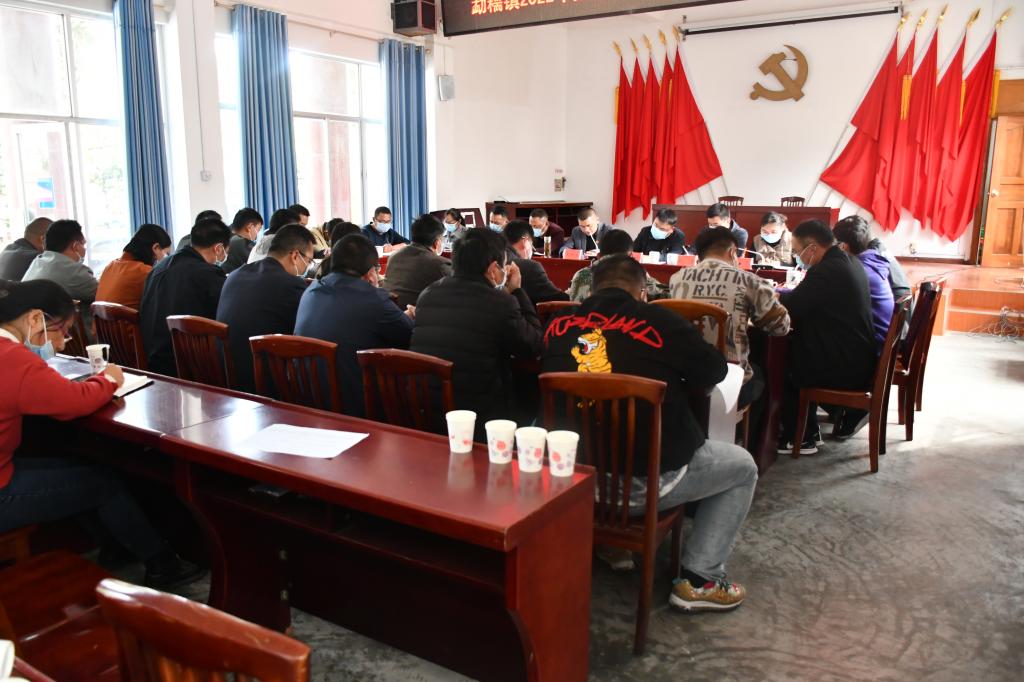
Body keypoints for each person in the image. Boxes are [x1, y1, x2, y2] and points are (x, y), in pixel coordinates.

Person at [542, 255, 755, 612]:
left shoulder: (557, 325)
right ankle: (701, 578)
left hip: (570, 480)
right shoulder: (662, 321)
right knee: (743, 467)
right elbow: (715, 370)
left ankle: (610, 542)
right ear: (642, 292)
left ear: (590, 290)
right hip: (645, 484)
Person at [0, 279, 202, 589]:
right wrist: (108, 379)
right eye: (62, 331)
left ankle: (115, 546)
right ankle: (162, 565)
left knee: (73, 465)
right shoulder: (13, 359)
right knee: (102, 484)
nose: (61, 344)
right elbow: (73, 402)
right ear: (34, 319)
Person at [411, 229, 541, 438]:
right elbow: (533, 346)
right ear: (493, 269)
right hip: (478, 421)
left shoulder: (428, 294)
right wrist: (517, 290)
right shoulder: (500, 302)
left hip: (428, 413)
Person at [778, 220, 876, 452]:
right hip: (857, 357)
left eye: (796, 251)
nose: (796, 257)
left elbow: (793, 306)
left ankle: (800, 437)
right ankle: (810, 430)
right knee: (797, 348)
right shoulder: (848, 261)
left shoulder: (826, 271)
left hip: (845, 367)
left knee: (781, 366)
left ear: (812, 248)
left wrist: (773, 296)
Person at [669, 226, 790, 409]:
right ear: (733, 252)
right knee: (760, 376)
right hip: (728, 381)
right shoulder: (750, 281)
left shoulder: (676, 279)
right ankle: (744, 426)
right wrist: (772, 302)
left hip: (685, 377)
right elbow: (781, 328)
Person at [294, 234, 414, 417]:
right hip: (357, 407)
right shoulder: (373, 299)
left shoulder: (312, 290)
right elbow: (409, 336)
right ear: (371, 274)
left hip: (308, 401)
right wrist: (409, 316)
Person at [216, 225, 313, 394]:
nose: (307, 267)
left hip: (226, 375)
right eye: (309, 261)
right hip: (264, 381)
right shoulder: (290, 285)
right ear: (295, 255)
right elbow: (307, 331)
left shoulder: (236, 275)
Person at [139, 218, 232, 377]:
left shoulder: (158, 268)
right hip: (186, 365)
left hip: (152, 359)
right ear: (218, 248)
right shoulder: (208, 273)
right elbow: (227, 314)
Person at [22, 219, 99, 339]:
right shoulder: (73, 271)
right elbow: (105, 293)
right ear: (75, 246)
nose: (84, 249)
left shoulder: (38, 261)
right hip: (69, 340)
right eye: (83, 244)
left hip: (35, 335)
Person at [832, 216, 895, 350]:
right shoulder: (872, 260)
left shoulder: (857, 271)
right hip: (883, 338)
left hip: (873, 345)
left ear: (843, 246)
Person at [568, 229, 663, 302]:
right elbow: (662, 293)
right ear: (631, 256)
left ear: (598, 255)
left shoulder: (580, 274)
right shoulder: (636, 273)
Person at [95, 224, 173, 310]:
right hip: (129, 319)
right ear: (156, 248)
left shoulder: (110, 267)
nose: (167, 258)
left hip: (101, 319)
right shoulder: (146, 273)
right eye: (166, 254)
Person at [383, 214, 452, 309]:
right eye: (442, 238)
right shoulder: (440, 264)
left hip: (391, 313)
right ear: (437, 242)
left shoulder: (394, 257)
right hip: (417, 316)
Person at [503, 220, 570, 304]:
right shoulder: (530, 267)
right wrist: (570, 293)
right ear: (525, 242)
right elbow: (558, 298)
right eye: (531, 245)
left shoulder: (493, 259)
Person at [221, 208, 263, 274]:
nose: (257, 235)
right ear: (249, 227)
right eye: (258, 230)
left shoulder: (224, 238)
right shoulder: (241, 243)